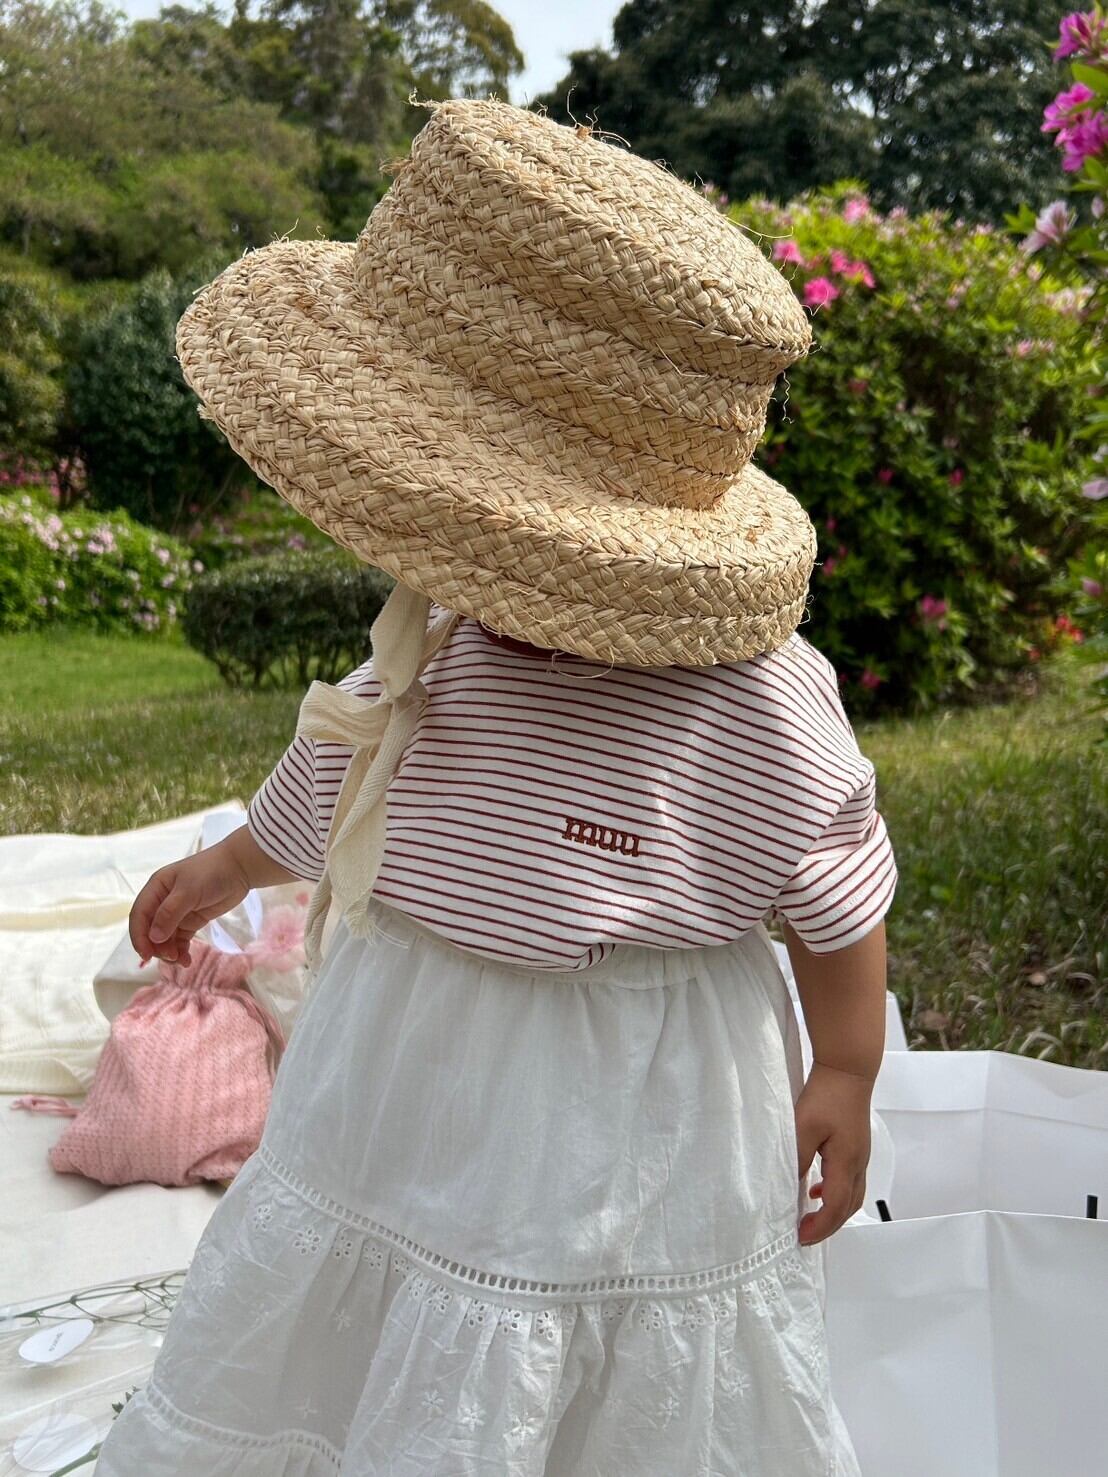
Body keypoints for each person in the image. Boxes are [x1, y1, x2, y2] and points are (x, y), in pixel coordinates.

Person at [95, 96, 896, 1476]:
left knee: (605, 1327)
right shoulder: (445, 630)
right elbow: (352, 764)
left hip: (643, 1091)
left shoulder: (758, 697)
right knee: (387, 1269)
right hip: (415, 1042)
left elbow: (836, 885)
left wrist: (847, 1066)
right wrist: (229, 866)